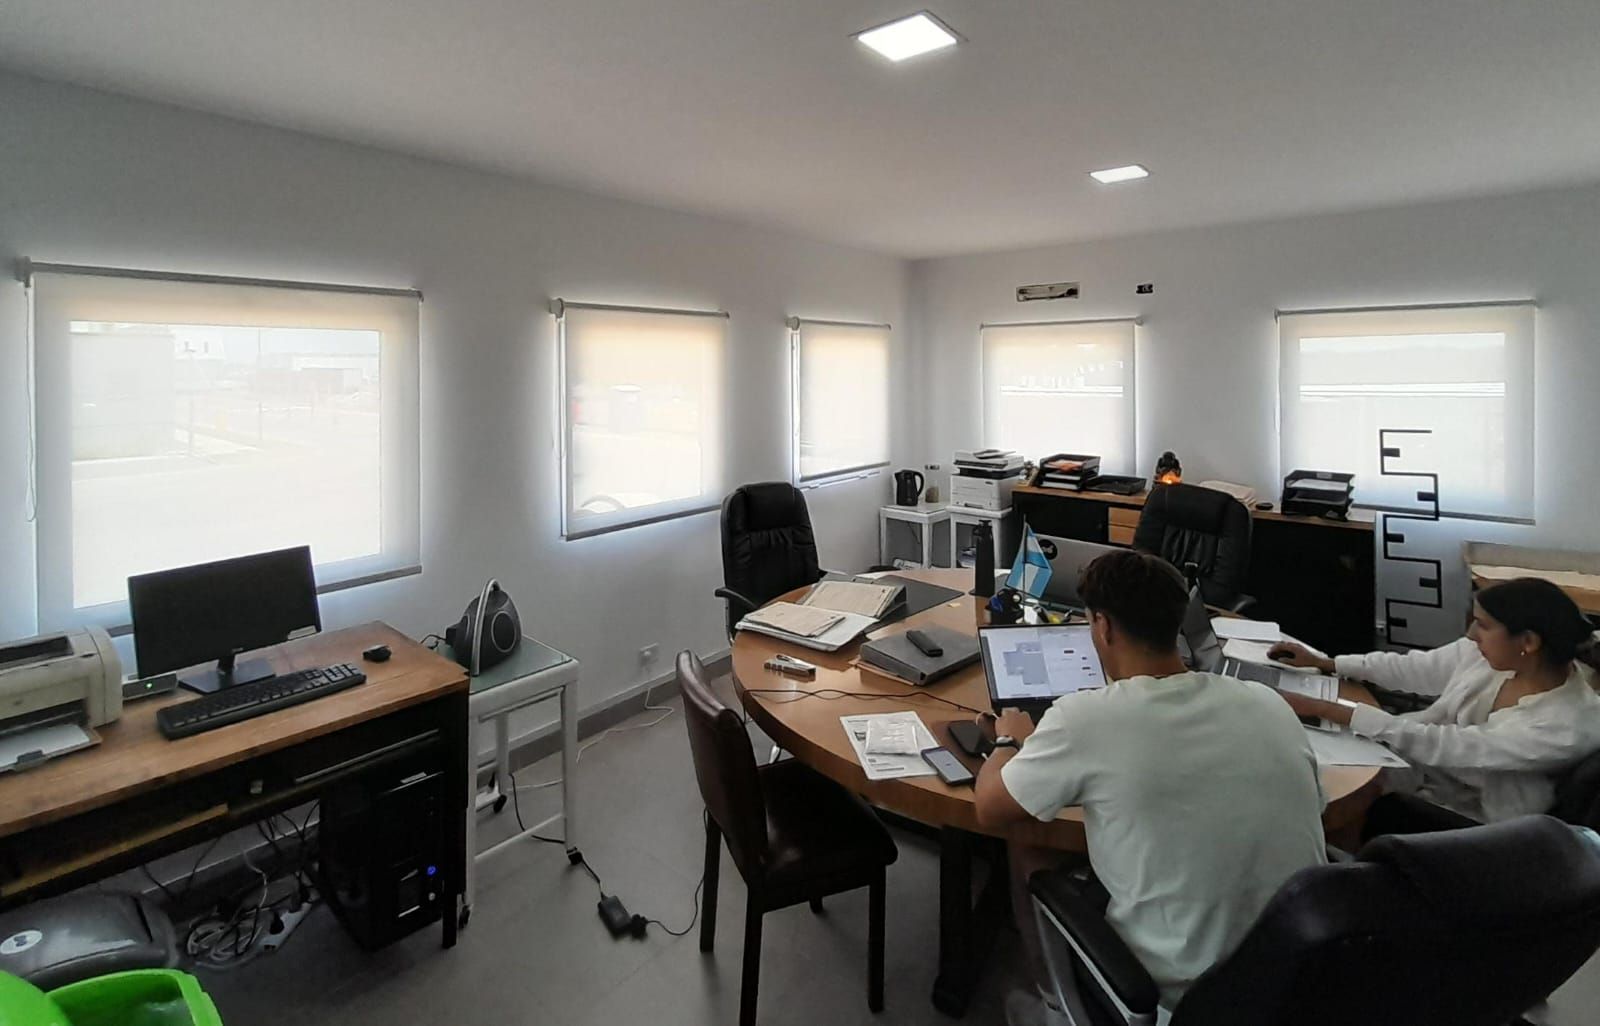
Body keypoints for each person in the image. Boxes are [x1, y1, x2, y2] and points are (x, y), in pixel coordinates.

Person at [972, 549, 1327, 1025]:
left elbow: (990, 809)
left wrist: (1006, 738)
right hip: (1303, 968)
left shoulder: (1085, 718)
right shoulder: (1266, 702)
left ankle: (1054, 1003)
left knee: (1027, 840)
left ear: (1103, 627)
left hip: (1186, 997)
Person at [1269, 577, 1600, 831]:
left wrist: (1330, 709)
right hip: (1429, 771)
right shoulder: (1497, 657)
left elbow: (1450, 746)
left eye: (1483, 625)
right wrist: (1329, 663)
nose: (1472, 634)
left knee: (1330, 794)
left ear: (1528, 642)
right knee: (1310, 764)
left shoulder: (1566, 724)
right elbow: (1414, 668)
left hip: (1478, 824)